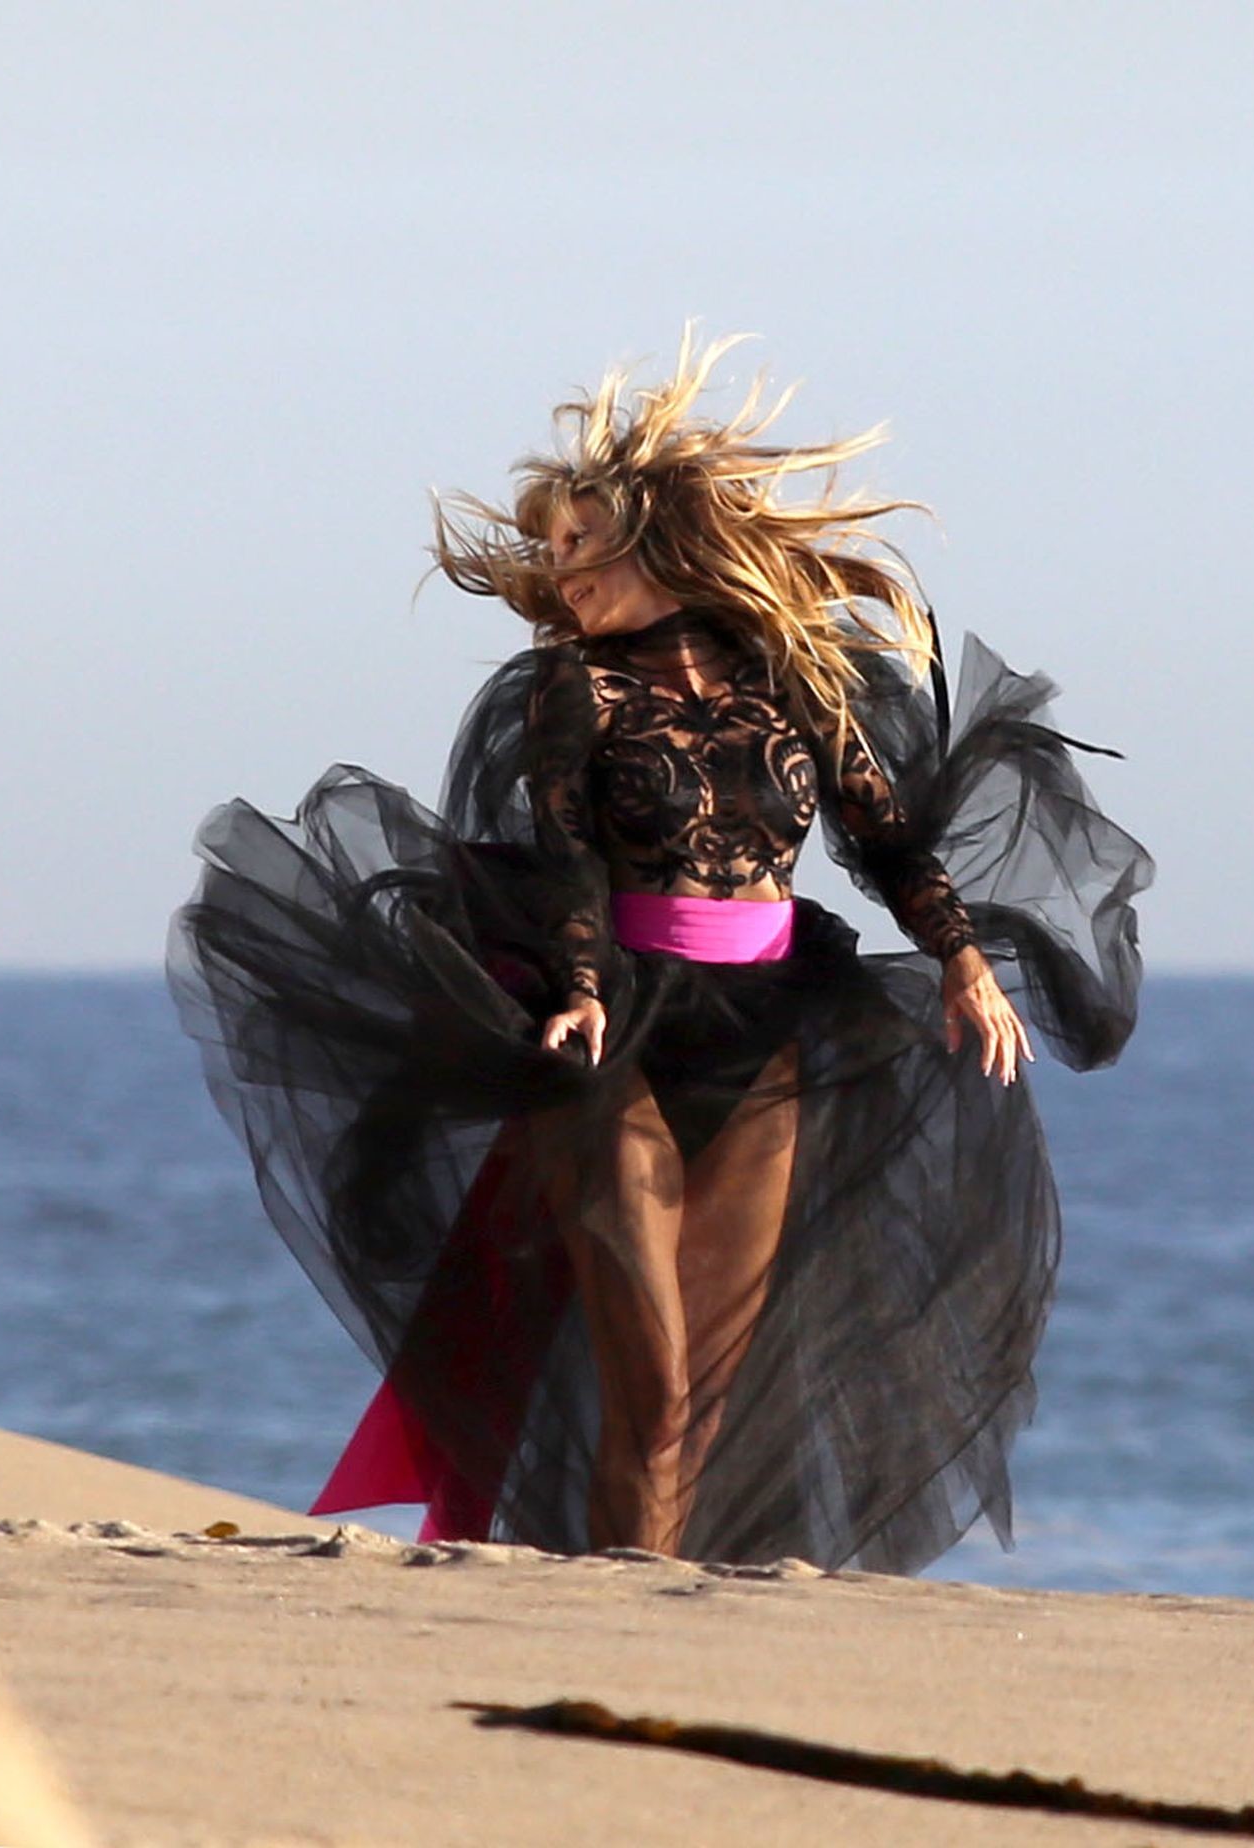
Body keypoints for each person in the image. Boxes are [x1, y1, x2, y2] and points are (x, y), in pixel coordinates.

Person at [165, 324, 1154, 1576]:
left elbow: (886, 837)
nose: (560, 568)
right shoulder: (568, 689)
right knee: (655, 1381)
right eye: (551, 547)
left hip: (778, 1024)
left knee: (714, 1390)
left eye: (581, 541)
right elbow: (565, 852)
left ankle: (657, 1605)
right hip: (618, 1028)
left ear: (655, 543)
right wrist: (579, 986)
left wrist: (959, 958)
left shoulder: (799, 678)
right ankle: (621, 1612)